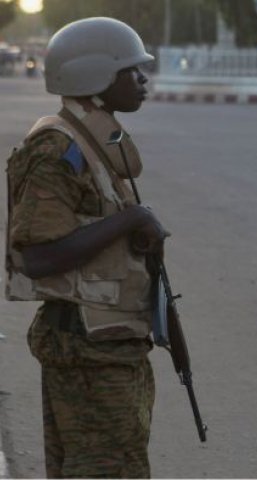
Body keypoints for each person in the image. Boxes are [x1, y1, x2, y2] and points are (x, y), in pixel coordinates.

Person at [5, 17, 167, 478]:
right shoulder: (57, 150)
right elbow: (38, 256)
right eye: (131, 71)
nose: (143, 80)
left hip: (108, 342)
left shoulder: (94, 141)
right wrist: (131, 219)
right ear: (94, 77)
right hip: (87, 349)